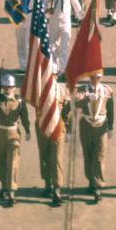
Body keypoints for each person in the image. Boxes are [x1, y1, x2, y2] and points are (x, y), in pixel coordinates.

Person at [0, 72, 31, 206]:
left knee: (13, 163)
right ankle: (4, 187)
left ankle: (11, 191)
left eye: (9, 87)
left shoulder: (20, 101)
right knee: (1, 161)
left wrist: (27, 130)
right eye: (5, 87)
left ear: (14, 87)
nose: (7, 89)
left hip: (13, 134)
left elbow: (25, 118)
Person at [74, 71, 114, 202]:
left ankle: (98, 186)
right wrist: (86, 99)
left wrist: (111, 127)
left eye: (98, 77)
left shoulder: (108, 90)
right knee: (88, 154)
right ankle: (91, 180)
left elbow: (111, 110)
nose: (96, 79)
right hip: (86, 125)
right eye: (93, 76)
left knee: (99, 156)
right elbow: (75, 104)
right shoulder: (82, 90)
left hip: (101, 126)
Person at [35, 75, 72, 205]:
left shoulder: (63, 90)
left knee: (56, 159)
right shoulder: (39, 89)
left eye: (54, 74)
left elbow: (67, 111)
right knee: (44, 156)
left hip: (58, 127)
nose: (52, 77)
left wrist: (68, 129)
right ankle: (47, 184)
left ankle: (57, 190)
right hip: (43, 126)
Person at [47, 0, 84, 73]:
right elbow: (43, 5)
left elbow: (77, 6)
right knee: (52, 45)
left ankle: (63, 70)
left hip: (66, 23)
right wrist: (47, 11)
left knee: (64, 46)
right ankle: (54, 68)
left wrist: (81, 18)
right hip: (54, 22)